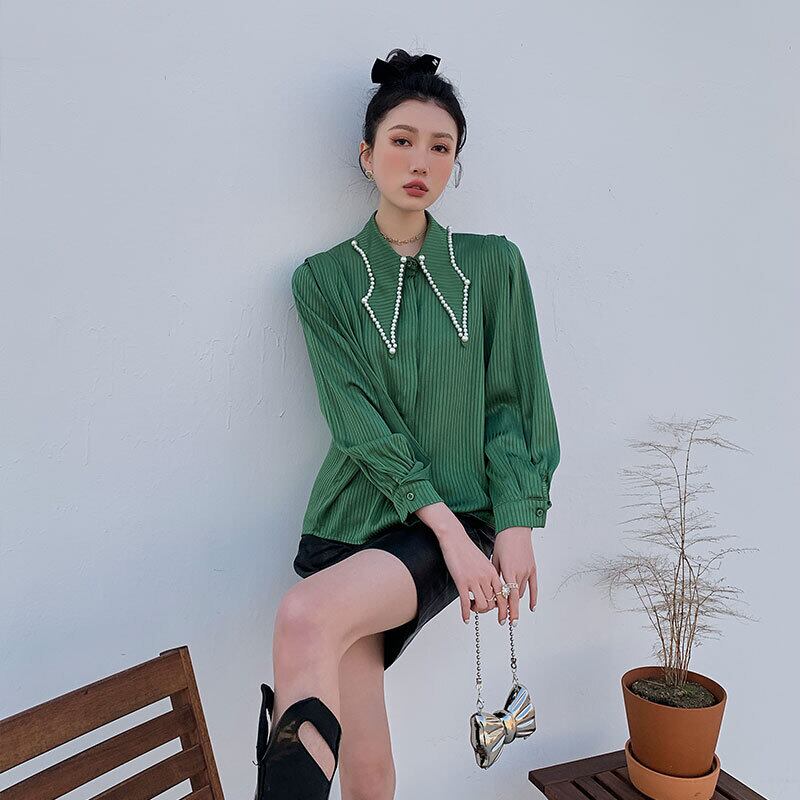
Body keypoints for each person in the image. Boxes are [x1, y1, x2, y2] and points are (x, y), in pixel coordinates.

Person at [252, 48, 561, 800]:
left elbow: (512, 401)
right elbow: (357, 423)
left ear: (455, 162)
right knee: (368, 768)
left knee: (302, 617)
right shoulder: (323, 280)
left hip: (453, 518)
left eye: (440, 147)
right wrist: (452, 539)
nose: (421, 160)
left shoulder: (493, 266)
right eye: (402, 140)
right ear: (367, 154)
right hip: (350, 524)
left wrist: (514, 520)